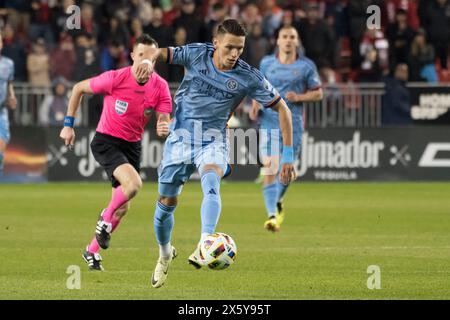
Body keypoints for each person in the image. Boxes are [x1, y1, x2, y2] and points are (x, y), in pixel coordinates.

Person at [146, 19, 295, 288]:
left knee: (212, 176)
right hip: (180, 138)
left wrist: (287, 155)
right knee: (165, 205)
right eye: (229, 48)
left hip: (213, 138)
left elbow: (283, 108)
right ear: (216, 44)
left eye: (239, 48)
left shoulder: (248, 76)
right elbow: (160, 52)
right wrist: (148, 61)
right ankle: (165, 252)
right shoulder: (195, 54)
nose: (235, 54)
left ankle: (206, 240)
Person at [59, 34, 172, 271]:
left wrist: (163, 124)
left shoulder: (160, 86)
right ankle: (104, 217)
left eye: (151, 57)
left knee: (123, 207)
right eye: (141, 55)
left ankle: (90, 252)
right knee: (133, 186)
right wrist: (68, 124)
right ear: (132, 56)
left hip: (132, 146)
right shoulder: (115, 78)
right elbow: (79, 88)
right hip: (106, 142)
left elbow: (163, 115)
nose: (145, 61)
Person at [249, 26, 323, 232]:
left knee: (286, 171)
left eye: (292, 37)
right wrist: (255, 104)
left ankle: (277, 200)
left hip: (294, 125)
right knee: (270, 169)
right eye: (285, 37)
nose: (288, 40)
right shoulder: (266, 63)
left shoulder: (306, 66)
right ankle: (272, 216)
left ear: (297, 41)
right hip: (269, 123)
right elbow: (257, 87)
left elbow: (318, 94)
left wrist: (299, 97)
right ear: (278, 41)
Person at [0, 33, 17, 176]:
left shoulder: (8, 64)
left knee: (1, 146)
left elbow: (9, 83)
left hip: (1, 110)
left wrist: (12, 96)